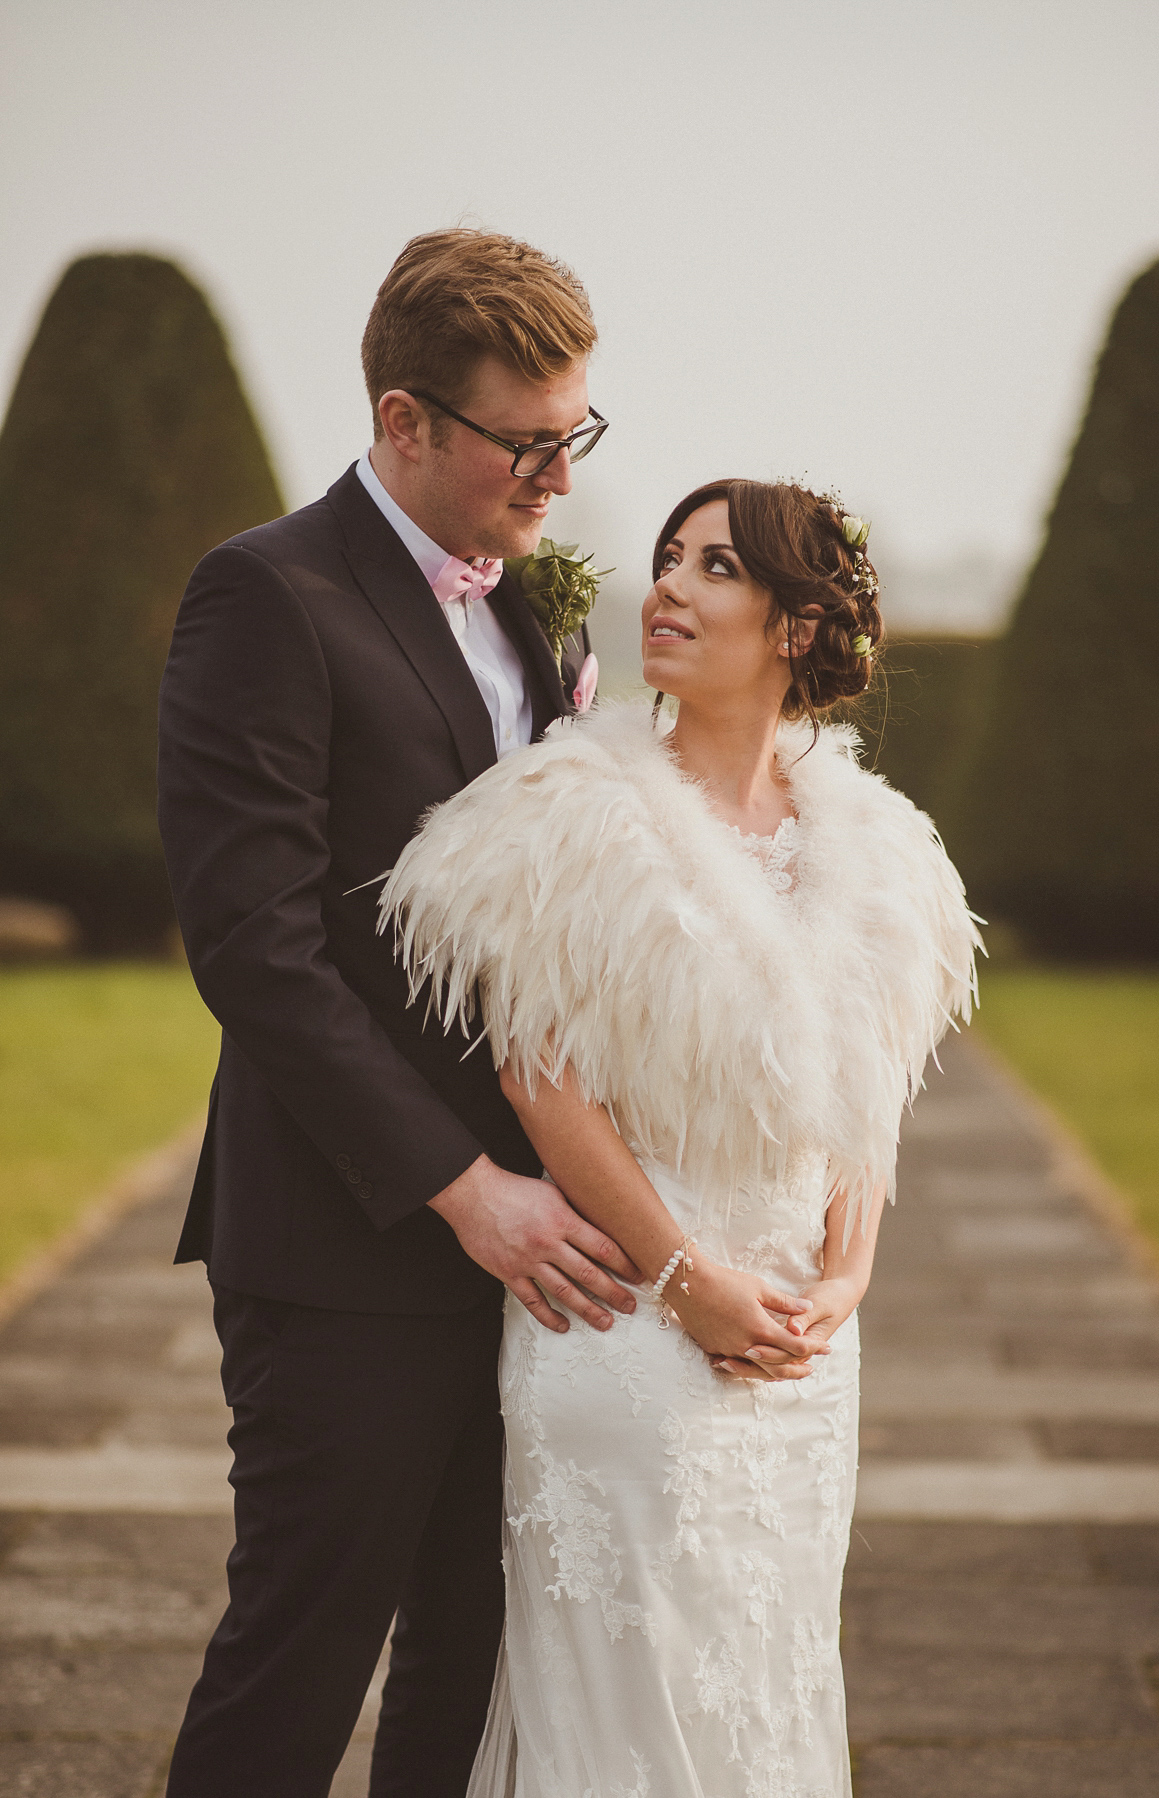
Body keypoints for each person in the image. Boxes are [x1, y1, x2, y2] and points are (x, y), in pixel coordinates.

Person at [383, 479, 981, 1796]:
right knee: (627, 1703)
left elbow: (865, 1092)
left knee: (769, 1682)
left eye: (713, 566)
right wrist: (684, 1277)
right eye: (665, 560)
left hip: (809, 1350)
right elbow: (545, 1085)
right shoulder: (573, 808)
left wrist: (848, 1276)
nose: (666, 586)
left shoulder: (876, 846)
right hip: (626, 1316)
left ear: (795, 625)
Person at [157, 229, 643, 1798]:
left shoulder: (537, 611)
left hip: (540, 1244)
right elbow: (255, 943)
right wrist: (466, 1188)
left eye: (575, 433)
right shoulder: (266, 594)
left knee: (478, 1675)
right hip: (346, 1243)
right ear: (403, 419)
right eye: (525, 440)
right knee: (297, 1667)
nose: (556, 474)